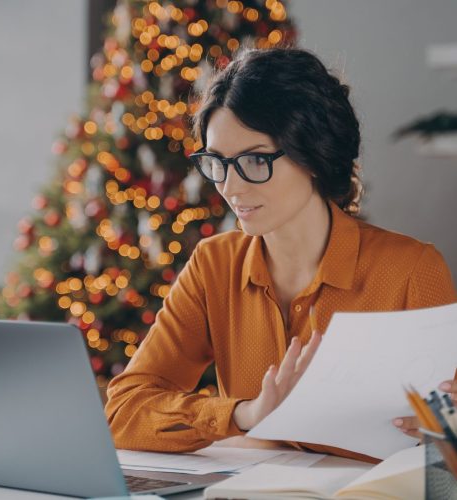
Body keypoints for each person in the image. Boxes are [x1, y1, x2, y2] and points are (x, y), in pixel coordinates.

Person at [105, 47, 457, 459]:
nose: (231, 188)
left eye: (255, 160)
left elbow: (446, 440)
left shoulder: (410, 270)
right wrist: (244, 414)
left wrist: (445, 430)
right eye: (217, 162)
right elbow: (124, 411)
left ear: (313, 155)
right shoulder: (213, 264)